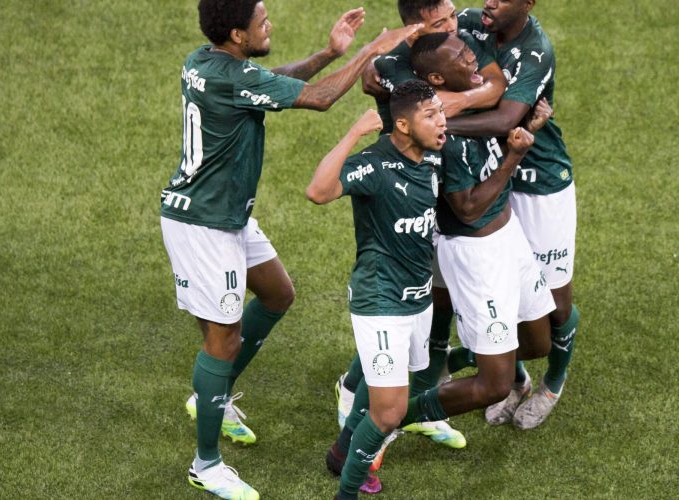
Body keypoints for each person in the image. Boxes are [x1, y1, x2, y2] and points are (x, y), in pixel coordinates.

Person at [159, 1, 420, 497]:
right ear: (237, 35)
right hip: (204, 226)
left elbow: (269, 79)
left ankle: (210, 396)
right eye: (261, 22)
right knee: (223, 340)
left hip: (227, 215)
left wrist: (327, 52)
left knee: (278, 294)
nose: (269, 24)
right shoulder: (232, 76)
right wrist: (370, 51)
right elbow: (319, 100)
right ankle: (206, 463)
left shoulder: (204, 61)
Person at [333, 0, 509, 458]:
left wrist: (462, 97)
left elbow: (495, 88)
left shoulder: (458, 41)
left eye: (452, 17)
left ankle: (421, 406)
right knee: (396, 310)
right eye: (439, 23)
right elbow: (382, 84)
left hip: (437, 199)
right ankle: (355, 390)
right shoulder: (391, 67)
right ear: (413, 31)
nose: (452, 30)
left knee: (433, 308)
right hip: (408, 202)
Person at [306, 80, 447, 500]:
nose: (442, 121)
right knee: (390, 411)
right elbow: (318, 191)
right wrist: (352, 133)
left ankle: (342, 451)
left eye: (441, 111)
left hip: (418, 297)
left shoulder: (433, 159)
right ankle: (345, 492)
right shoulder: (375, 165)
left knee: (401, 384)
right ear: (402, 124)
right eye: (430, 115)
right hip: (380, 300)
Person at [445, 0, 580, 430]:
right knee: (506, 294)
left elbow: (507, 117)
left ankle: (552, 384)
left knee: (555, 308)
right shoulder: (466, 21)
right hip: (491, 179)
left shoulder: (535, 50)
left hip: (539, 184)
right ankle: (516, 378)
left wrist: (438, 120)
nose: (489, 1)